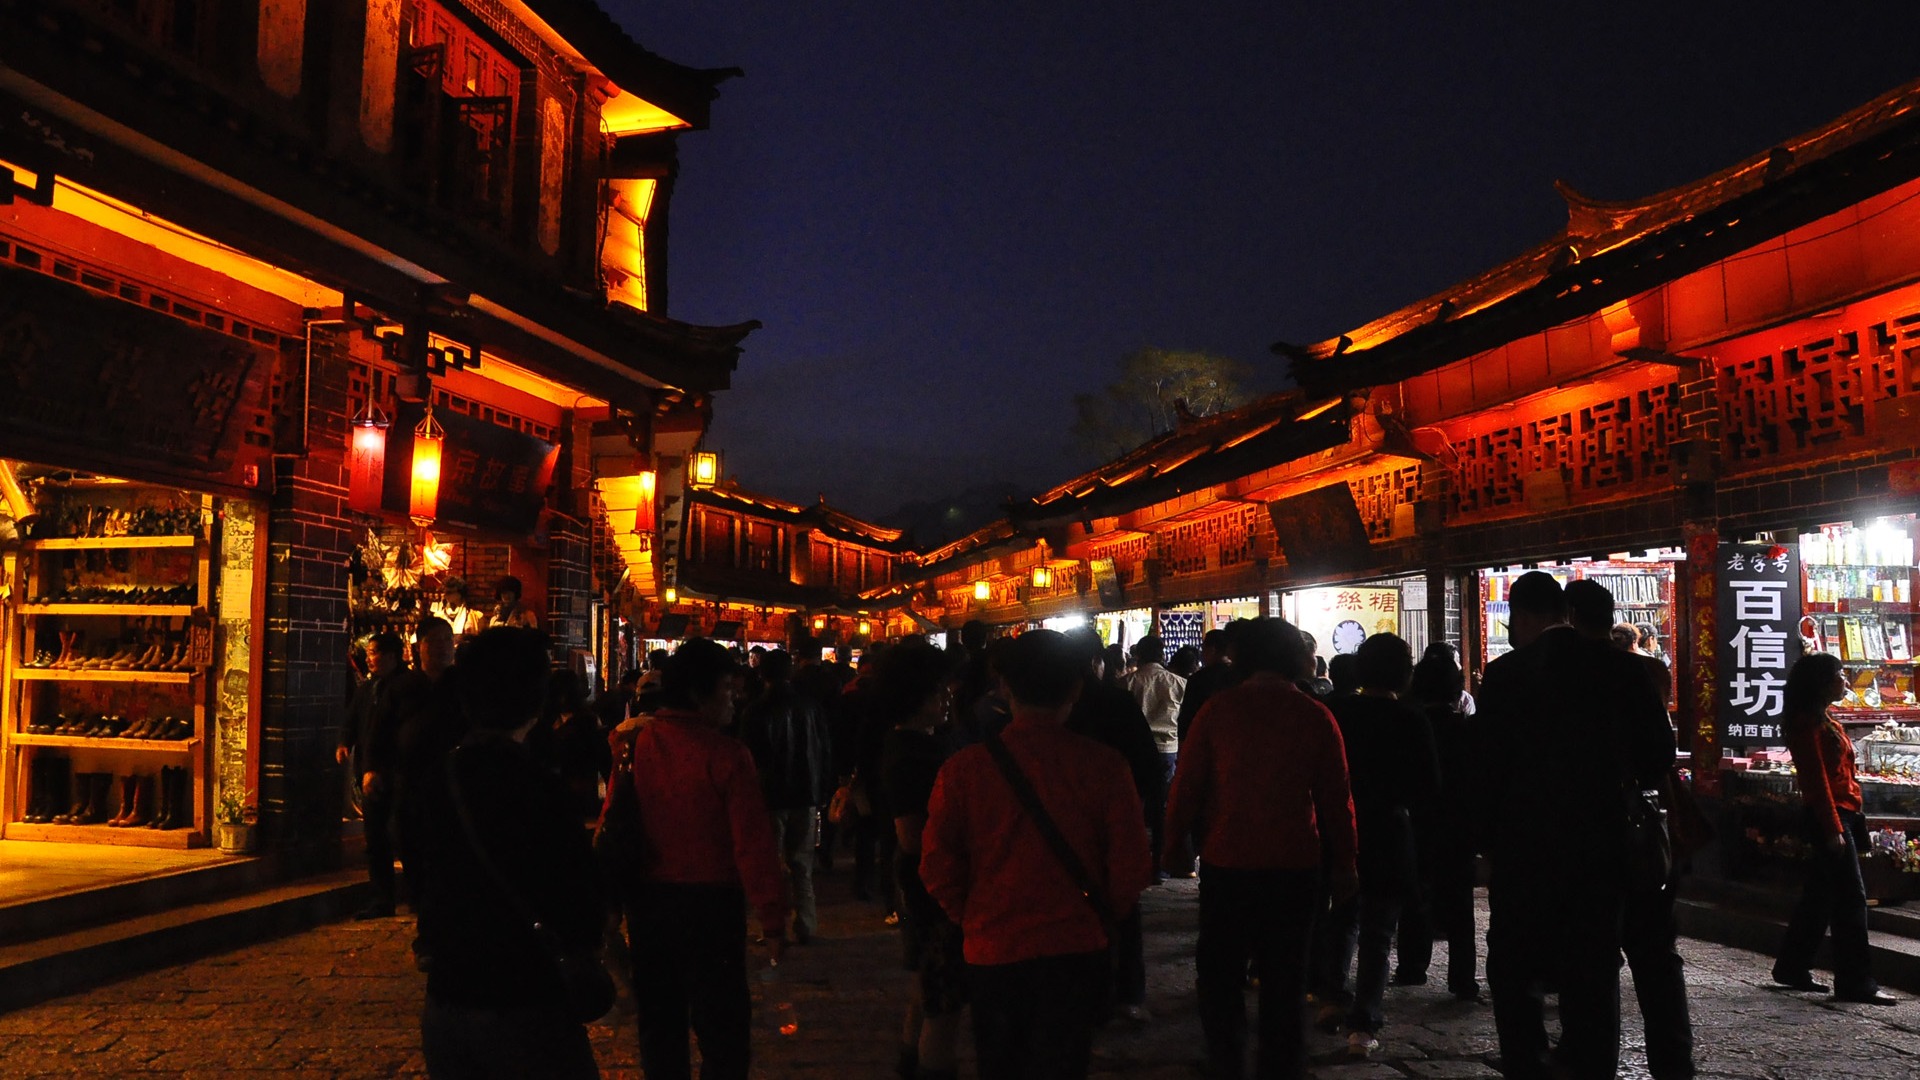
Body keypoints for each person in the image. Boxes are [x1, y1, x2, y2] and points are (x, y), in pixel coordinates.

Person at [920, 630, 1153, 1080]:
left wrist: (970, 916)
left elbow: (937, 863)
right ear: (1076, 688)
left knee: (1000, 1063)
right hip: (1075, 945)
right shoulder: (1105, 767)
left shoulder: (965, 770)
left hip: (993, 946)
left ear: (1005, 687)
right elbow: (1131, 863)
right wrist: (1104, 915)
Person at [1477, 571, 1675, 1080]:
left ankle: (1527, 1062)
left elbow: (1483, 770)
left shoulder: (1503, 677)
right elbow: (1658, 759)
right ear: (1564, 611)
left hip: (1523, 846)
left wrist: (1485, 841)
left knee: (1516, 967)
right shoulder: (1624, 671)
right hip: (1602, 845)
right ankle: (1591, 1067)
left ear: (1520, 616)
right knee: (1592, 970)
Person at [1163, 617, 1358, 1080]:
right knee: (1285, 973)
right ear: (1295, 658)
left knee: (1221, 970)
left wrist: (1174, 845)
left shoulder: (1218, 711)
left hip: (1227, 858)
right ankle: (1282, 1064)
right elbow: (1337, 798)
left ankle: (1226, 1058)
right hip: (1295, 860)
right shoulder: (1315, 715)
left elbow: (1186, 789)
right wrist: (1346, 864)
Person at [413, 626, 604, 1079]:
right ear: (537, 702)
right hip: (527, 995)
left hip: (450, 995)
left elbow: (423, 877)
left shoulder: (437, 782)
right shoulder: (540, 788)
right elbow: (577, 893)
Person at [623, 639, 789, 1080]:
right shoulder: (728, 756)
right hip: (710, 908)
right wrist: (772, 917)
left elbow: (615, 826)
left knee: (660, 1025)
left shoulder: (634, 744)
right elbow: (752, 844)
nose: (735, 700)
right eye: (727, 690)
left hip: (649, 906)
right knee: (723, 1029)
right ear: (699, 694)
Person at [1565, 580, 1696, 1077]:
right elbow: (1660, 754)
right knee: (1656, 955)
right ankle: (1673, 1062)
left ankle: (1593, 1060)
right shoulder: (1637, 672)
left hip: (1586, 833)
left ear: (1572, 616)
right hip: (1637, 830)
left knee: (1594, 955)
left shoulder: (1563, 674)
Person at [1315, 632, 1439, 1059]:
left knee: (1340, 916)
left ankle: (1331, 995)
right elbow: (1427, 786)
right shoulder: (1410, 718)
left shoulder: (1334, 711)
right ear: (1404, 673)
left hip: (1339, 827)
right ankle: (1363, 1024)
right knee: (1379, 931)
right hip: (1388, 829)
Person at [1774, 651, 1897, 1005]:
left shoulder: (1824, 719)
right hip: (1830, 817)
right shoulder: (1806, 723)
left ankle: (1791, 966)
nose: (1846, 680)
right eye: (1840, 674)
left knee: (1820, 897)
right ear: (1822, 682)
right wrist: (1832, 828)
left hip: (1842, 814)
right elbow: (1816, 782)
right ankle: (1855, 981)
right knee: (1851, 900)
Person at [1064, 625, 1165, 1024]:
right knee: (1122, 905)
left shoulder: (1054, 706)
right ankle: (1126, 993)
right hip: (1115, 820)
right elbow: (1148, 765)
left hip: (1061, 822)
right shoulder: (1116, 702)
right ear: (1097, 661)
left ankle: (1078, 993)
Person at [876, 642, 966, 1080]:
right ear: (914, 697)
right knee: (942, 995)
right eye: (937, 693)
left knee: (925, 983)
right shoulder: (909, 754)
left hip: (922, 878)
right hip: (929, 883)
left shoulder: (923, 743)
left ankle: (909, 1060)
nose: (946, 699)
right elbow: (911, 837)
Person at [736, 649, 833, 943]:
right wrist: (823, 788)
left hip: (770, 796)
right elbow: (824, 749)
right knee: (802, 863)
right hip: (806, 793)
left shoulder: (755, 710)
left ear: (761, 674)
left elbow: (748, 758)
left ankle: (774, 927)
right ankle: (806, 924)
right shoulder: (811, 707)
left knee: (770, 864)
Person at [337, 630, 432, 920]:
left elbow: (402, 732)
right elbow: (353, 717)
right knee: (375, 838)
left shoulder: (409, 686)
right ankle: (382, 898)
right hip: (370, 772)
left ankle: (419, 897)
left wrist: (379, 766)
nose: (369, 658)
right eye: (368, 653)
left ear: (394, 655)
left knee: (405, 836)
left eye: (375, 652)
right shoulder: (369, 687)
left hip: (399, 773)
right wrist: (344, 741)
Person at [1407, 644, 1479, 1001]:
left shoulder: (1410, 726)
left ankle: (1411, 966)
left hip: (1416, 821)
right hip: (1457, 823)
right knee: (1460, 903)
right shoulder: (1465, 729)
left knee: (1415, 892)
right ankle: (1462, 978)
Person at [1120, 634, 1184, 869]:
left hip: (1135, 750)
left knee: (1134, 805)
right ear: (1162, 654)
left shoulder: (1128, 683)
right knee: (1162, 808)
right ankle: (1161, 863)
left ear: (1139, 654)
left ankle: (1133, 859)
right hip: (1168, 749)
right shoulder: (1178, 683)